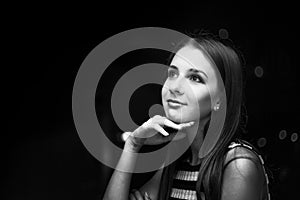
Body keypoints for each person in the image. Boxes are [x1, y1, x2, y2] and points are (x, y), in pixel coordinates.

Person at [103, 32, 271, 200]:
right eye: (172, 74)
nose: (174, 87)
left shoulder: (237, 164)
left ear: (219, 100)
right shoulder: (176, 164)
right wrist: (133, 144)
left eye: (195, 78)